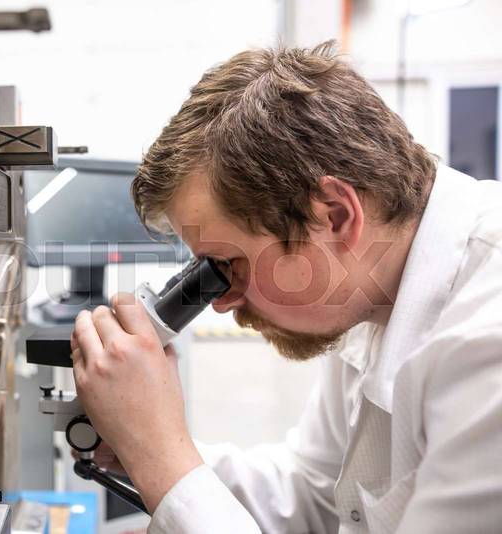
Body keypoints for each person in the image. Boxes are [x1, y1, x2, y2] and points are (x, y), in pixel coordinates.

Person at [69, 41, 502, 533]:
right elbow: (315, 495)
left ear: (335, 216)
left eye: (228, 265)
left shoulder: (487, 342)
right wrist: (145, 442)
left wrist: (162, 461)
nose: (221, 301)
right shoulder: (370, 291)